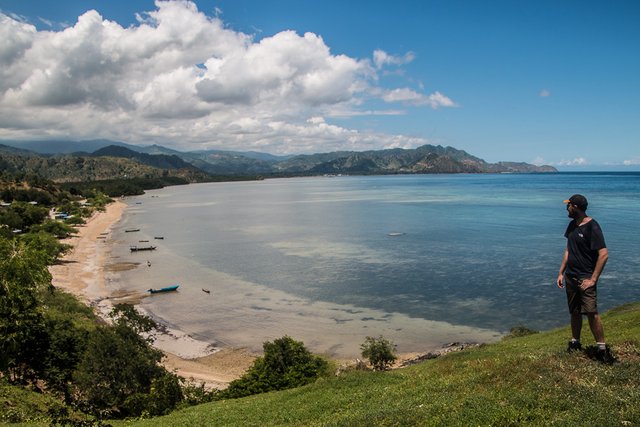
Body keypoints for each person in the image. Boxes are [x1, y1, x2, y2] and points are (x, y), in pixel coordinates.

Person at [556, 194, 614, 363]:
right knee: (574, 312)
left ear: (576, 207)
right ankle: (575, 343)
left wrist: (593, 279)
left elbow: (603, 255)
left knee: (591, 313)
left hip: (585, 278)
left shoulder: (592, 227)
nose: (566, 208)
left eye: (569, 205)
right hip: (571, 276)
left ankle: (602, 350)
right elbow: (568, 250)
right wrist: (561, 272)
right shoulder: (572, 225)